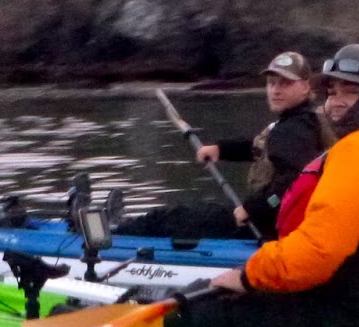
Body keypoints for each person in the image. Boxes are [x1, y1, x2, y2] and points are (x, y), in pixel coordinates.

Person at [178, 43, 359, 327]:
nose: (336, 101)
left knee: (190, 309)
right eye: (332, 92)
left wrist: (245, 276)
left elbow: (317, 254)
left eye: (352, 91)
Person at [113, 51, 333, 241]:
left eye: (286, 83)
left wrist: (252, 209)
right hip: (266, 220)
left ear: (305, 87)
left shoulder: (293, 130)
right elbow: (263, 148)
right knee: (187, 215)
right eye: (271, 82)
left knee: (170, 218)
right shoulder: (300, 121)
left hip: (263, 228)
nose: (275, 90)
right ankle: (121, 226)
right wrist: (221, 149)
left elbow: (291, 184)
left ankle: (111, 237)